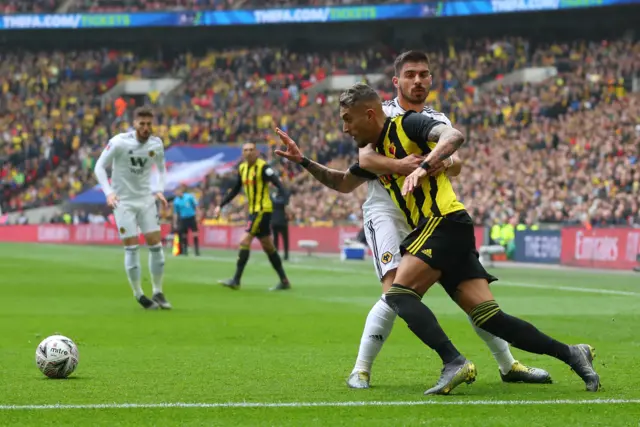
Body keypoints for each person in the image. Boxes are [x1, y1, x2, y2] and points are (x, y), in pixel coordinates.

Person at [275, 50, 551, 391]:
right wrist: (406, 166)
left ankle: (508, 364)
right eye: (410, 75)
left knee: (465, 290)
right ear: (397, 81)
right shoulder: (382, 112)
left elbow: (458, 161)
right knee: (395, 289)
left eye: (424, 74)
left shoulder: (439, 118)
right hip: (385, 208)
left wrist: (438, 163)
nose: (417, 81)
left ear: (431, 79)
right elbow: (365, 158)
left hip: (429, 212)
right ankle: (361, 369)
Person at [346, 81, 599, 394]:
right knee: (490, 317)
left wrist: (424, 166)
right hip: (452, 228)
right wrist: (302, 162)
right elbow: (345, 178)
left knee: (398, 294)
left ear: (370, 115)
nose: (345, 128)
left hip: (443, 222)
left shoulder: (408, 123)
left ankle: (453, 361)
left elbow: (454, 136)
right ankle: (573, 354)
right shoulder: (378, 150)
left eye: (348, 119)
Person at [94, 106, 171, 310]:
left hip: (146, 199)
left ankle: (158, 291)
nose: (145, 128)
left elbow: (162, 169)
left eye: (149, 124)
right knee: (132, 247)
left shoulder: (157, 144)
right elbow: (99, 167)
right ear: (134, 123)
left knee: (156, 245)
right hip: (123, 202)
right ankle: (139, 294)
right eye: (141, 124)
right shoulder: (119, 142)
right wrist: (109, 193)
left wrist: (159, 189)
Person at [215, 142, 291, 291]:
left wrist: (285, 201)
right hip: (254, 211)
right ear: (242, 153)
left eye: (251, 150)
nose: (248, 152)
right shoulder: (242, 168)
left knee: (245, 241)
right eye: (245, 150)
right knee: (268, 246)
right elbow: (236, 189)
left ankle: (236, 280)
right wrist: (221, 205)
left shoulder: (263, 167)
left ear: (256, 152)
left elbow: (278, 184)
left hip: (262, 210)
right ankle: (284, 280)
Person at [173, 184, 200, 256]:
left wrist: (198, 215)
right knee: (184, 235)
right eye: (175, 192)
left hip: (191, 217)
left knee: (195, 234)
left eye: (176, 191)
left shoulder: (189, 197)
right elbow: (175, 213)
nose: (176, 193)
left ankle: (197, 251)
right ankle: (185, 251)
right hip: (183, 219)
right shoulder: (176, 201)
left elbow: (196, 206)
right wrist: (175, 223)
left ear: (180, 191)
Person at [271, 185, 290, 261]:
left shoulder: (273, 197)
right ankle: (286, 255)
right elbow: (286, 206)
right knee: (285, 239)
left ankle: (275, 254)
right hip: (282, 221)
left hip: (274, 220)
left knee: (275, 239)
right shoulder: (284, 198)